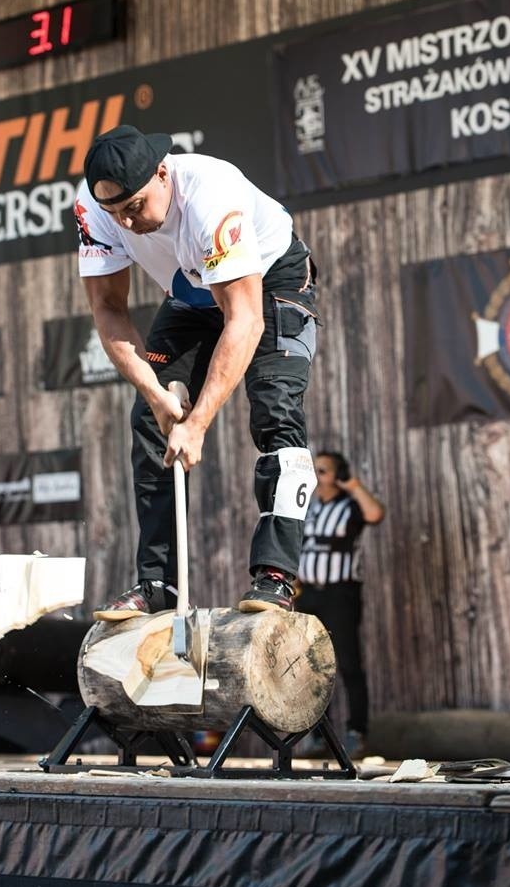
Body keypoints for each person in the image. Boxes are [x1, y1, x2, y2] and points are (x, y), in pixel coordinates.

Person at [74, 125, 319, 619]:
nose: (126, 221)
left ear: (163, 173)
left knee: (275, 410)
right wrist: (155, 393)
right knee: (149, 419)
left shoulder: (213, 195)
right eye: (115, 212)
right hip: (191, 291)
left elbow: (245, 320)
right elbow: (108, 310)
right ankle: (159, 583)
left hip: (269, 281)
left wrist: (199, 423)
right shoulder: (94, 208)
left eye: (136, 207)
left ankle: (275, 576)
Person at [296, 451, 384, 759]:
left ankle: (356, 732)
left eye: (322, 470)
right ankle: (320, 735)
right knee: (313, 665)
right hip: (309, 594)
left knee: (347, 662)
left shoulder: (349, 507)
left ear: (337, 475)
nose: (317, 474)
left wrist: (354, 486)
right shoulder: (309, 506)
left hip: (340, 593)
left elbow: (375, 514)